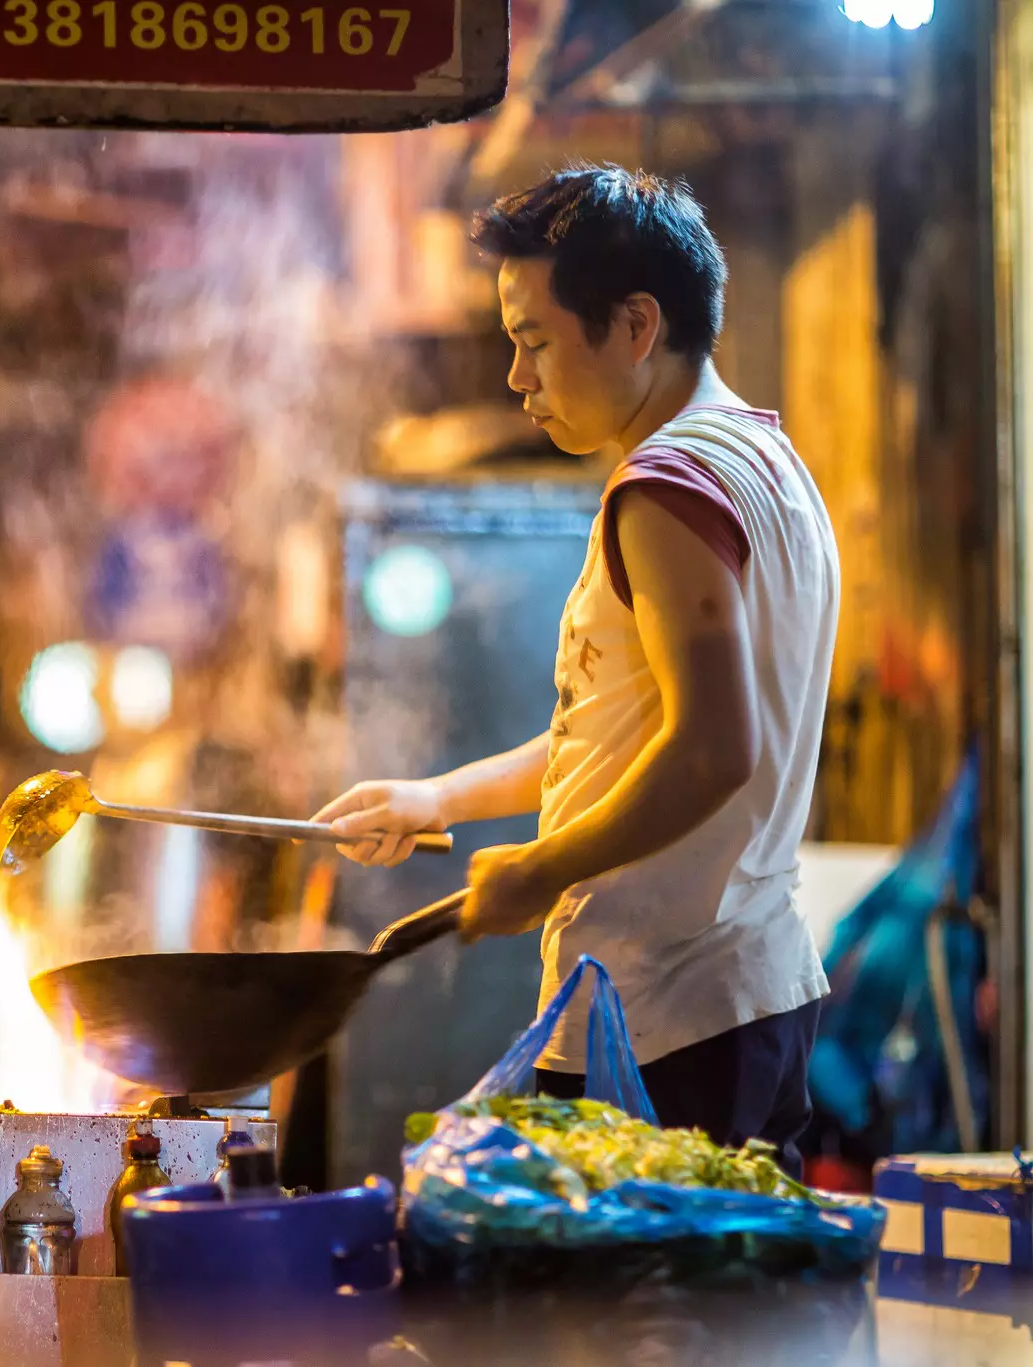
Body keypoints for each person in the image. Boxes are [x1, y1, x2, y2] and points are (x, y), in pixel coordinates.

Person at [317, 165, 838, 1170]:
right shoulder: (765, 463)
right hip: (745, 995)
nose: (518, 379)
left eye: (534, 341)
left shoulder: (661, 490)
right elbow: (623, 731)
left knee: (638, 1320)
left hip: (663, 1017)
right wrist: (440, 796)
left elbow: (710, 753)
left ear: (635, 325)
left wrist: (539, 867)